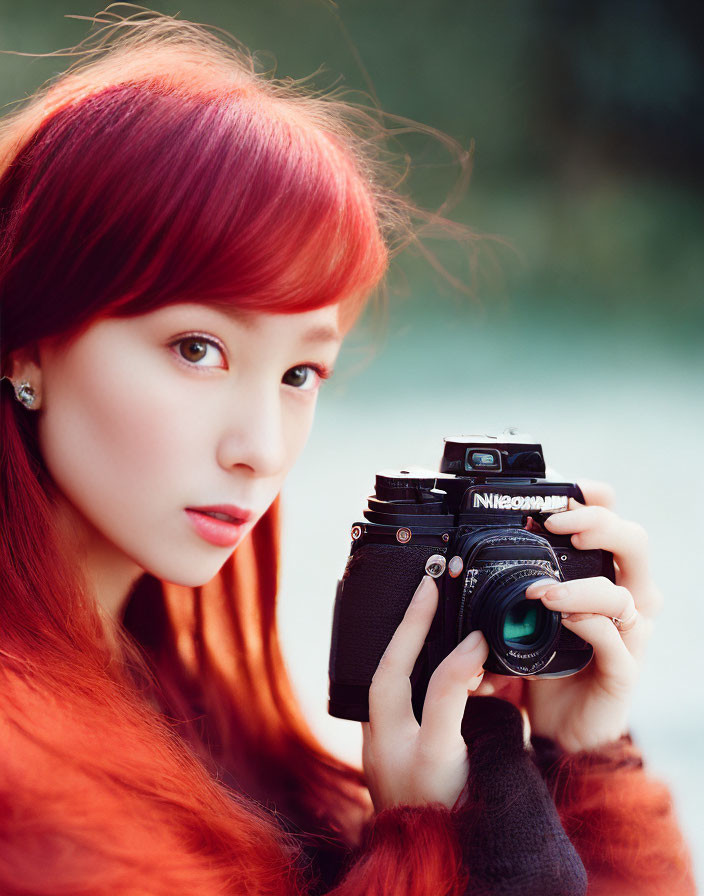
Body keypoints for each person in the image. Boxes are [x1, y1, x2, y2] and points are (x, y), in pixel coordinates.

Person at [0, 8, 696, 895]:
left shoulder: (188, 699)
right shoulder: (27, 797)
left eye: (300, 372)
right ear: (24, 345)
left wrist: (583, 762)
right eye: (196, 349)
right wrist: (416, 839)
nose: (261, 450)